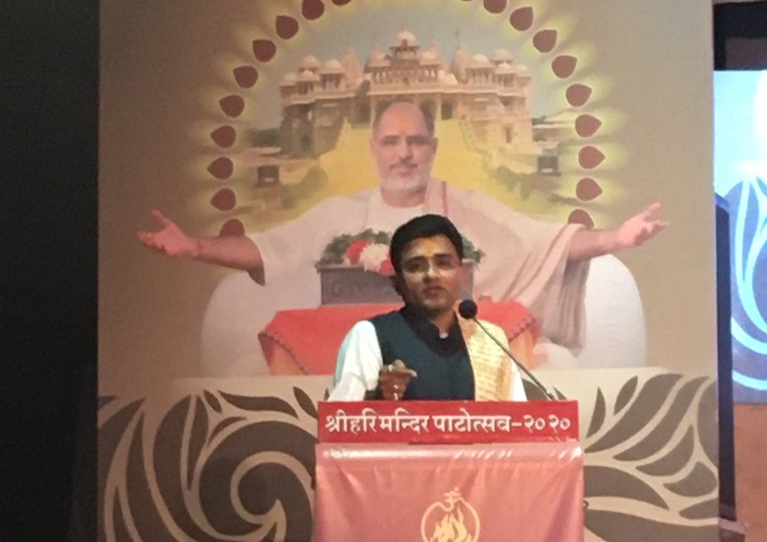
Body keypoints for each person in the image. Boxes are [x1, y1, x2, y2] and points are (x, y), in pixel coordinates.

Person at [139, 100, 666, 371]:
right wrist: (196, 247)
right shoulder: (341, 214)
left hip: (452, 356)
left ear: (433, 147)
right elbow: (268, 247)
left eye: (415, 141)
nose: (404, 154)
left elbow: (543, 239)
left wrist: (616, 239)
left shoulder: (464, 206)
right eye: (392, 142)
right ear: (374, 149)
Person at [331, 214, 527, 402]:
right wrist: (378, 399)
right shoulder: (370, 335)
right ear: (396, 282)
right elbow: (342, 419)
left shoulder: (491, 340)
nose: (431, 275)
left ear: (462, 274)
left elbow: (521, 420)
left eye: (443, 263)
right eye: (416, 267)